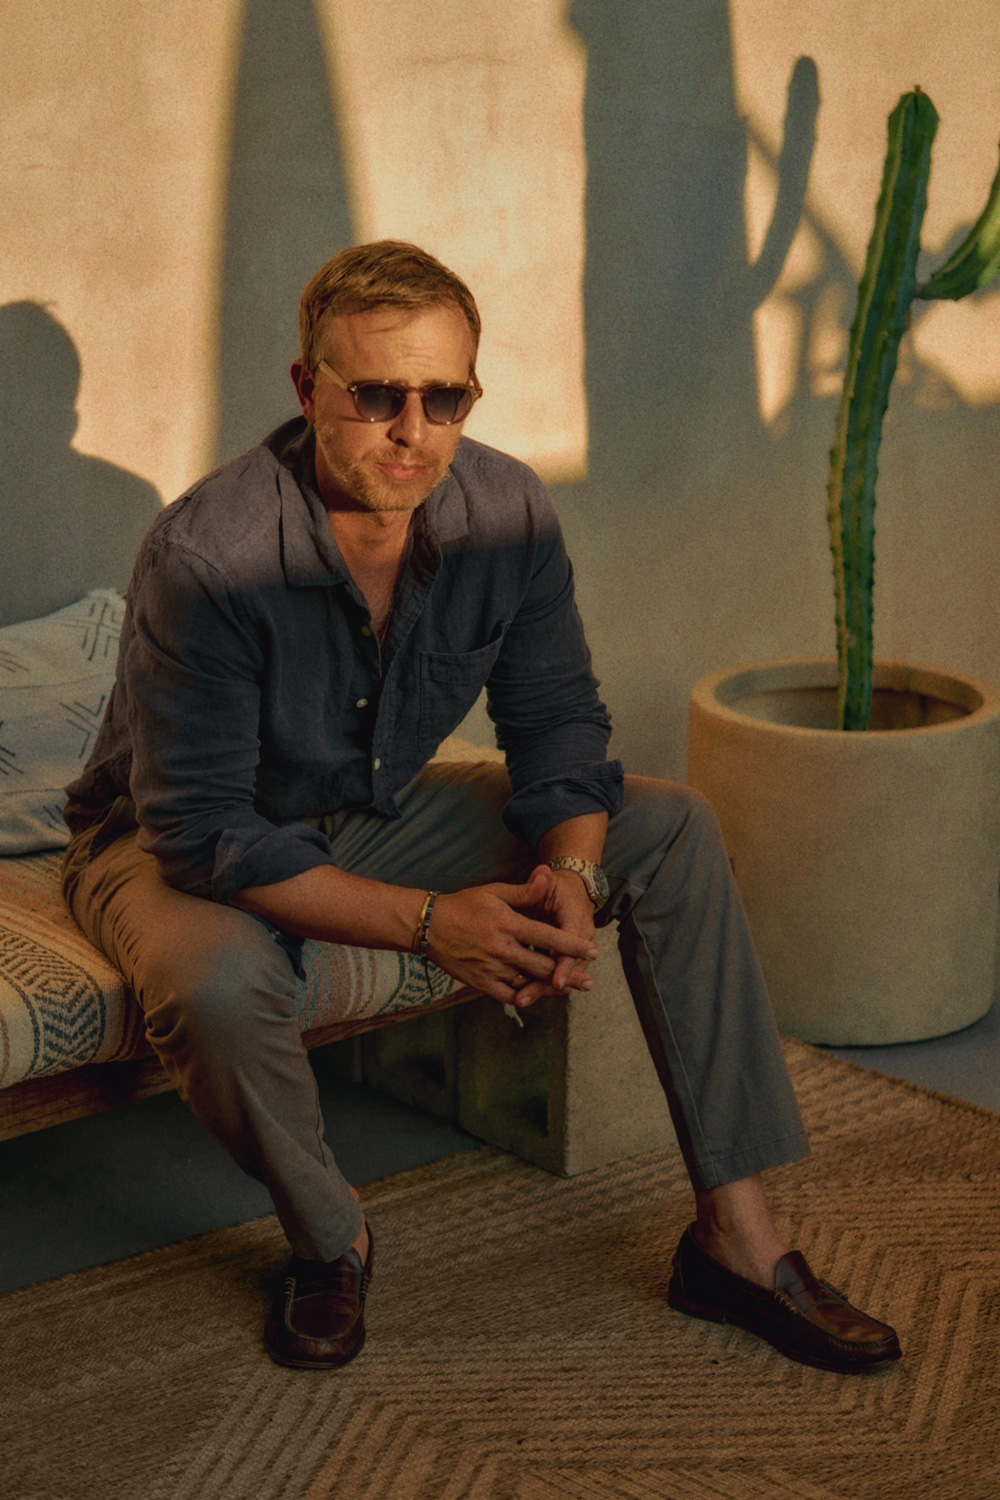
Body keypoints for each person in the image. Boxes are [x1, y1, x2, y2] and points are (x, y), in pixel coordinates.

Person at [62, 240, 900, 1375]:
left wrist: (571, 873)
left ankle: (736, 1243)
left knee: (675, 826)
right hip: (167, 843)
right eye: (375, 396)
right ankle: (330, 1241)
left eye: (441, 396)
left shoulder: (505, 511)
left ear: (468, 396)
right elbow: (209, 832)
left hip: (367, 806)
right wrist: (426, 922)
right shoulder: (208, 555)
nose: (412, 431)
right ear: (308, 389)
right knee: (216, 978)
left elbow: (556, 722)